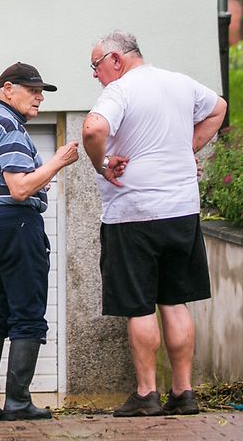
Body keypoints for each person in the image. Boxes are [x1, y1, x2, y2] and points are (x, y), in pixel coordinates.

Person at [81, 31, 227, 417]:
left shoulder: (121, 91)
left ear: (115, 59)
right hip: (181, 212)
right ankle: (184, 392)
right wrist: (187, 148)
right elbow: (219, 108)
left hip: (133, 215)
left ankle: (147, 395)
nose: (95, 75)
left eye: (96, 66)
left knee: (140, 306)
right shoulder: (180, 83)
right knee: (175, 302)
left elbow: (93, 130)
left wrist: (101, 164)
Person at [0, 62, 80, 421]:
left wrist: (34, 178)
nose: (40, 97)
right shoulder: (10, 125)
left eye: (42, 91)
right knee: (27, 313)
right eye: (33, 90)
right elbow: (19, 188)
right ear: (8, 88)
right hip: (13, 224)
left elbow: (8, 179)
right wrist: (58, 162)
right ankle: (17, 401)